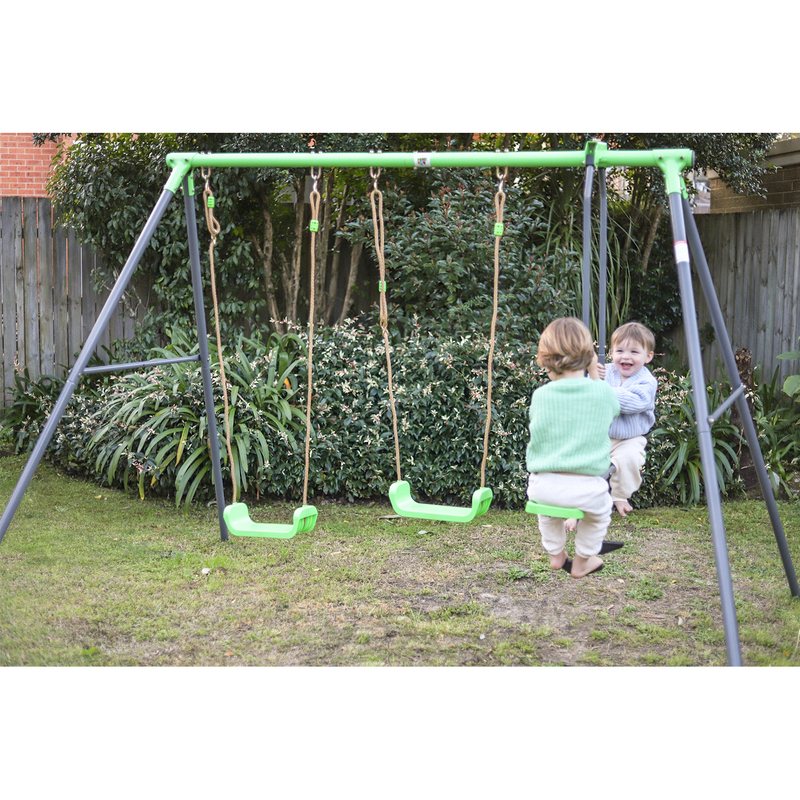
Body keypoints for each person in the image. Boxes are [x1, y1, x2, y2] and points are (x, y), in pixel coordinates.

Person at [526, 317, 620, 578]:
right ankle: (582, 560)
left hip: (542, 486)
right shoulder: (602, 392)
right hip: (587, 488)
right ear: (589, 356)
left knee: (547, 512)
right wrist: (594, 373)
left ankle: (555, 553)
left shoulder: (541, 395)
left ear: (545, 359)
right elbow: (613, 408)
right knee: (599, 514)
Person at [597, 321, 658, 517]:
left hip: (630, 438)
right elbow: (587, 392)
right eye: (620, 350)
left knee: (629, 459)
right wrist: (591, 376)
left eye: (634, 352)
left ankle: (620, 495)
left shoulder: (647, 381)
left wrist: (604, 390)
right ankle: (577, 499)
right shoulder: (604, 372)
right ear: (611, 353)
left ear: (648, 357)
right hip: (601, 436)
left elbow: (636, 402)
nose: (626, 356)